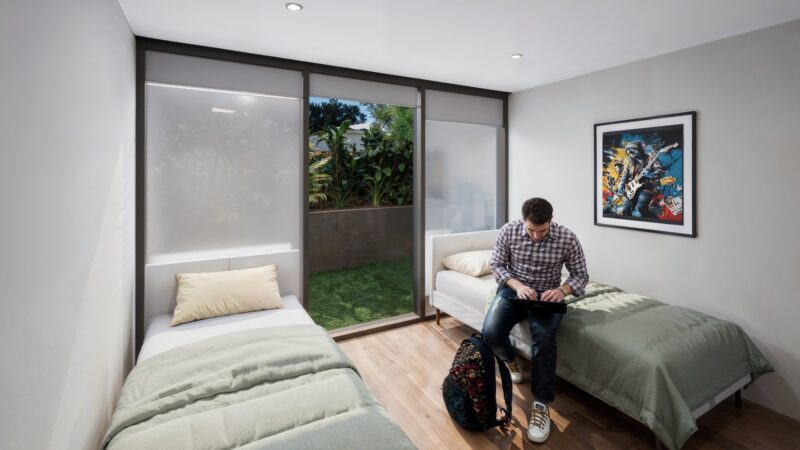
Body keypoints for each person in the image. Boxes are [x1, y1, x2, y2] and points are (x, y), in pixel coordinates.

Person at [482, 197, 589, 444]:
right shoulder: (508, 231)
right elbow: (497, 265)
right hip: (514, 290)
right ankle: (511, 360)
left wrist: (562, 290)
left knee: (544, 338)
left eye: (542, 230)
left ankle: (541, 405)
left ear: (551, 220)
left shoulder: (567, 237)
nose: (537, 236)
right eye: (531, 230)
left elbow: (581, 275)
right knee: (490, 332)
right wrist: (518, 285)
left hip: (548, 295)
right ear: (523, 220)